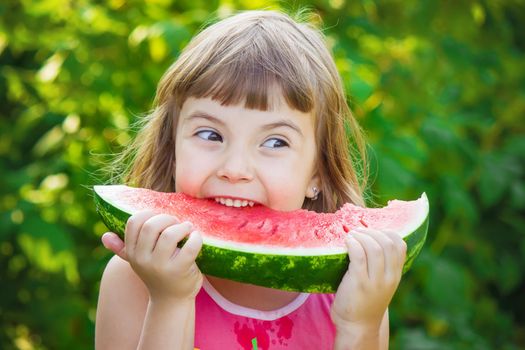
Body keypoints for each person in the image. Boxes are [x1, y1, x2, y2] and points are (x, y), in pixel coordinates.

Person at [95, 9, 407, 350]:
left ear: (317, 173)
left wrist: (358, 326)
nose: (235, 168)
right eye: (210, 134)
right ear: (172, 150)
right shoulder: (133, 279)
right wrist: (170, 301)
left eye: (275, 142)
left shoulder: (355, 291)